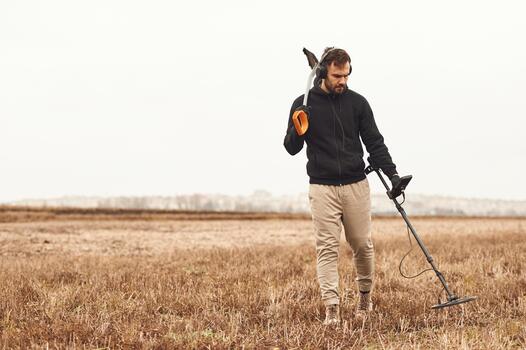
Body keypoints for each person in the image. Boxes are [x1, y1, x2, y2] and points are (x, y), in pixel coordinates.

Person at [283, 47, 400, 326]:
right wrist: (298, 127)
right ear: (323, 72)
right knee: (327, 248)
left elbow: (375, 142)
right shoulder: (304, 103)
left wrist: (393, 175)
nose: (342, 81)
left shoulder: (357, 103)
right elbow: (291, 148)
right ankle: (332, 310)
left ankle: (364, 299)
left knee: (362, 244)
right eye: (337, 75)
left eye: (346, 75)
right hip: (322, 188)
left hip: (355, 185)